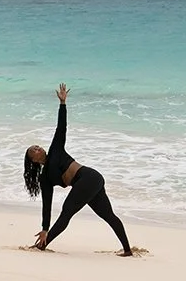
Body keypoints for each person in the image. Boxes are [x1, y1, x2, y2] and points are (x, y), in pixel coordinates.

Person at [22, 83, 134, 255]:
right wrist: (45, 228)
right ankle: (128, 251)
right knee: (107, 215)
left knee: (67, 212)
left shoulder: (55, 150)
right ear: (33, 161)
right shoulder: (45, 179)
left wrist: (63, 104)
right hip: (87, 183)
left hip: (89, 177)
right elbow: (47, 204)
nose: (37, 148)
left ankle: (41, 247)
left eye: (37, 146)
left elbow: (61, 128)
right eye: (33, 150)